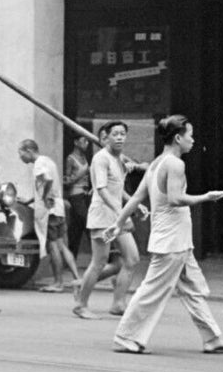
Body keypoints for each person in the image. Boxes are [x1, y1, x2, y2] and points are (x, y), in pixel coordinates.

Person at [103, 115, 223, 355]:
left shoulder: (156, 164)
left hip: (177, 241)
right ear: (177, 137)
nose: (193, 141)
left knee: (192, 290)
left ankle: (212, 337)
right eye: (190, 135)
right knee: (152, 290)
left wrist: (118, 222)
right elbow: (175, 199)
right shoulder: (175, 164)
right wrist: (205, 197)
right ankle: (126, 337)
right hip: (171, 241)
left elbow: (136, 197)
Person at [72, 122, 143, 318]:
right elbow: (102, 190)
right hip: (102, 217)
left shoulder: (118, 159)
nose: (120, 137)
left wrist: (135, 204)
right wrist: (122, 213)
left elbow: (118, 189)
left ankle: (118, 303)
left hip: (116, 216)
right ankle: (81, 305)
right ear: (105, 137)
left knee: (132, 259)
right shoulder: (100, 159)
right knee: (99, 262)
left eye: (123, 134)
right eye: (115, 134)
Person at [18, 138, 79, 293]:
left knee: (53, 246)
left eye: (21, 153)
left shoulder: (39, 164)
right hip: (58, 208)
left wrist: (44, 197)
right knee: (62, 245)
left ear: (29, 151)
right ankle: (78, 278)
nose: (20, 158)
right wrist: (32, 199)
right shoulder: (49, 161)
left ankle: (58, 282)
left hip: (49, 211)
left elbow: (47, 180)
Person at [64, 134, 93, 266]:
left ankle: (70, 260)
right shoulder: (70, 159)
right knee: (88, 224)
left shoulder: (84, 157)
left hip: (85, 195)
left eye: (87, 141)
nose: (86, 143)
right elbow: (67, 181)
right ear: (76, 142)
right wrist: (82, 173)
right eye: (83, 140)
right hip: (75, 196)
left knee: (76, 229)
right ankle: (101, 258)